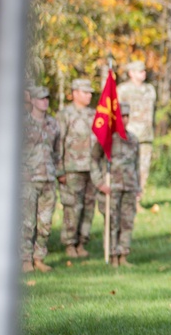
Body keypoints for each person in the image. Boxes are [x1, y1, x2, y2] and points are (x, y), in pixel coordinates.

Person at [91, 102, 141, 266]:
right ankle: (112, 255)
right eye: (121, 116)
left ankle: (123, 254)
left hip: (129, 186)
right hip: (111, 187)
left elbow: (137, 165)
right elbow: (93, 159)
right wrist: (99, 182)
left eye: (127, 116)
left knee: (126, 221)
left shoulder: (133, 139)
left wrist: (138, 187)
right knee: (112, 221)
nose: (124, 120)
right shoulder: (107, 139)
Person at [22, 86, 61, 273]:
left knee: (45, 222)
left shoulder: (53, 124)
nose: (45, 101)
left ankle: (39, 258)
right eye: (41, 98)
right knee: (27, 222)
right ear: (33, 101)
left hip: (48, 179)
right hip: (28, 179)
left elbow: (57, 152)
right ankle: (25, 260)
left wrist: (59, 172)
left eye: (47, 98)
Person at [57, 78, 97, 258]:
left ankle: (82, 242)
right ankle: (70, 243)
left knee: (88, 207)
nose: (89, 95)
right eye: (85, 92)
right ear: (74, 93)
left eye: (90, 92)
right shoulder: (65, 114)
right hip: (72, 168)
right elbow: (58, 142)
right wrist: (60, 170)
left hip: (92, 168)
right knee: (73, 207)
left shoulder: (95, 114)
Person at [117, 60, 157, 199]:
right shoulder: (122, 90)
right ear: (131, 73)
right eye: (140, 71)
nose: (144, 73)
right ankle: (127, 198)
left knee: (143, 168)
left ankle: (138, 199)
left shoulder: (150, 89)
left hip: (146, 135)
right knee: (128, 167)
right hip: (129, 135)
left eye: (144, 70)